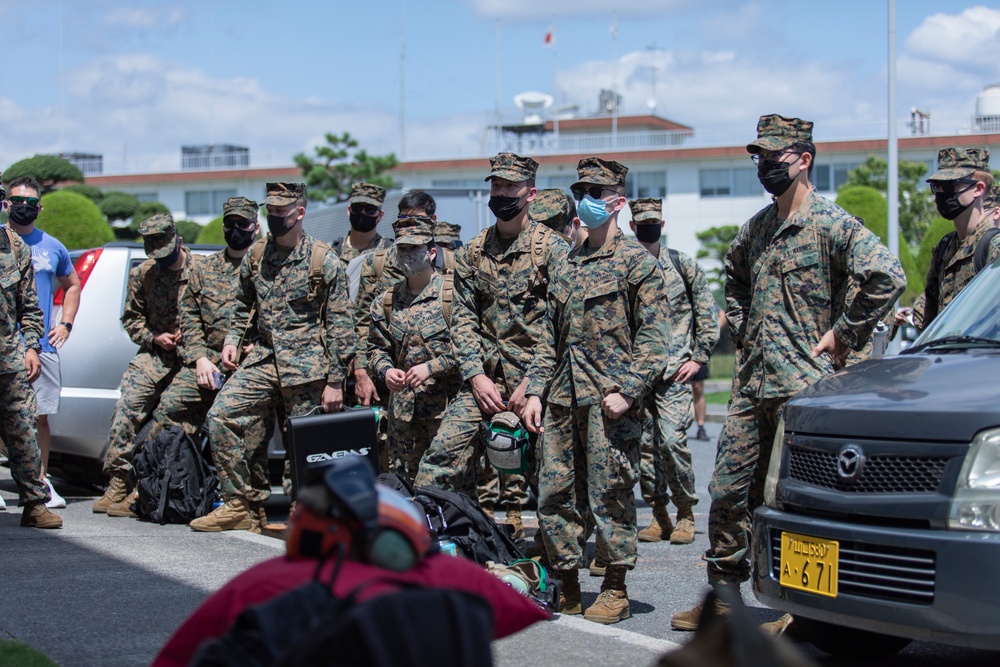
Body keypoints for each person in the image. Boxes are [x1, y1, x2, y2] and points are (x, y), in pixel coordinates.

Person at [670, 114, 906, 631]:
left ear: (803, 159)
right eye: (759, 158)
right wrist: (747, 326)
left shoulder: (831, 224)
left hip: (806, 387)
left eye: (775, 157)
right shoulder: (756, 229)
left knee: (798, 502)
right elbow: (733, 276)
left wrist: (845, 334)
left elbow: (887, 275)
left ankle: (801, 610)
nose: (765, 166)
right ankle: (724, 600)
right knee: (729, 492)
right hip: (754, 386)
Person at [522, 157, 671, 624]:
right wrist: (534, 392)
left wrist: (628, 390)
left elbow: (655, 338)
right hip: (563, 400)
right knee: (554, 492)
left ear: (618, 202)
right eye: (581, 191)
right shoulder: (566, 263)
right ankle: (566, 583)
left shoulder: (636, 265)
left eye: (597, 193)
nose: (587, 201)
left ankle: (615, 587)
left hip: (610, 404)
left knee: (610, 493)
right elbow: (549, 337)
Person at [414, 153, 568, 532]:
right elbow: (462, 320)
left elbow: (561, 327)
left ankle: (559, 565)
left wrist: (534, 386)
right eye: (495, 185)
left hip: (536, 386)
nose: (500, 193)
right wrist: (474, 376)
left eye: (509, 186)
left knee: (551, 484)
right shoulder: (472, 251)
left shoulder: (553, 250)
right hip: (486, 382)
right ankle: (430, 543)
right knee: (438, 461)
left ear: (530, 193)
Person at [193, 183, 355, 532]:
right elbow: (242, 302)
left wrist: (335, 381)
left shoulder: (323, 260)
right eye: (271, 211)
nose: (274, 218)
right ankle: (239, 504)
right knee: (222, 415)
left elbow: (341, 325)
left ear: (299, 212)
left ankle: (304, 512)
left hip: (308, 366)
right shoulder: (256, 255)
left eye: (281, 211)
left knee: (305, 446)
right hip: (265, 359)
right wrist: (233, 339)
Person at [107, 198, 268, 522]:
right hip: (206, 363)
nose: (235, 230)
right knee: (168, 409)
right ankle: (149, 484)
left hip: (249, 364)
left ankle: (250, 505)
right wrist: (199, 360)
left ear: (256, 227)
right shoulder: (204, 269)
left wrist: (258, 347)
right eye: (229, 224)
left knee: (252, 425)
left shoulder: (266, 268)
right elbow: (190, 319)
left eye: (243, 225)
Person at [628, 197, 719, 546]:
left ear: (661, 225)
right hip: (639, 376)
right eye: (642, 221)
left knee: (671, 441)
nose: (649, 226)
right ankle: (658, 514)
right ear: (633, 226)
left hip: (674, 374)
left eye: (654, 221)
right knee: (646, 450)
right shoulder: (627, 267)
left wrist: (698, 358)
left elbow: (707, 316)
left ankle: (685, 512)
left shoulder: (683, 265)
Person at [93, 214, 195, 514]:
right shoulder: (145, 274)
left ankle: (145, 486)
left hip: (191, 358)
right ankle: (118, 480)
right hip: (156, 355)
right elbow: (131, 319)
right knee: (127, 407)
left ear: (178, 240)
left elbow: (217, 317)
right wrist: (154, 337)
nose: (160, 259)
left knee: (169, 416)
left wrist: (190, 337)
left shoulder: (202, 270)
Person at [4, 176, 80, 509]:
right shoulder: (3, 242)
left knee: (40, 417)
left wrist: (65, 324)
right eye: (16, 201)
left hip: (41, 348)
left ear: (39, 207)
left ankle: (42, 481)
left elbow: (73, 284)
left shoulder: (52, 247)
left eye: (30, 203)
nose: (23, 208)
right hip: (5, 346)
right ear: (7, 203)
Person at [368, 215, 461, 482]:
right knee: (405, 487)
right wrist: (385, 371)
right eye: (402, 249)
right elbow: (375, 349)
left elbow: (472, 348)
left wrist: (431, 368)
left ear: (432, 253)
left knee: (450, 487)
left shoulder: (454, 295)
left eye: (415, 249)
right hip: (403, 418)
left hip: (447, 413)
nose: (407, 256)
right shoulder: (386, 302)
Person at [0, 208, 62, 527]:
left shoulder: (15, 246)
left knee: (24, 430)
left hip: (10, 360)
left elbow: (30, 308)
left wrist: (32, 346)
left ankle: (35, 505)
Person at [895, 148, 999, 332]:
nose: (941, 193)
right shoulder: (944, 248)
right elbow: (930, 320)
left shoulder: (993, 246)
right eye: (937, 186)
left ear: (979, 188)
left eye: (950, 186)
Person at [332, 182, 392, 265]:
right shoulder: (330, 252)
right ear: (349, 210)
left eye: (370, 210)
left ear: (380, 215)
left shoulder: (391, 253)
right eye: (357, 208)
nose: (362, 213)